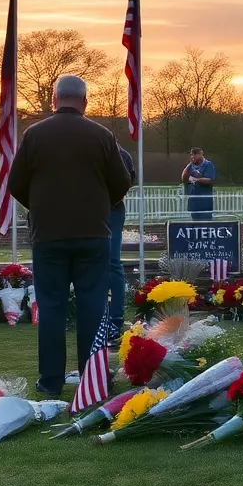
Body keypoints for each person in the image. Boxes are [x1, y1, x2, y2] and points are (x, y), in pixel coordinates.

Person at [9, 74, 131, 396]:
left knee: (51, 308)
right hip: (93, 236)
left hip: (48, 236)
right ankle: (94, 381)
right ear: (85, 101)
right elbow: (122, 183)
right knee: (93, 306)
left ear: (54, 99)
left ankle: (50, 381)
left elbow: (15, 184)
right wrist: (99, 206)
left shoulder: (33, 135)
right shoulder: (102, 135)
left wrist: (40, 209)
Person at [105, 143, 137, 341]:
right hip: (88, 209)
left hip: (111, 209)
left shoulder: (119, 153)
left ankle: (114, 320)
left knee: (111, 262)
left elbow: (127, 180)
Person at [181, 147, 216, 221]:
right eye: (191, 155)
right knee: (195, 224)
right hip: (194, 201)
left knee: (206, 224)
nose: (192, 157)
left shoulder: (208, 165)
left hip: (205, 202)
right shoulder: (191, 166)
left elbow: (209, 180)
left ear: (200, 155)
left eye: (194, 155)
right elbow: (183, 178)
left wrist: (195, 180)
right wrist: (189, 165)